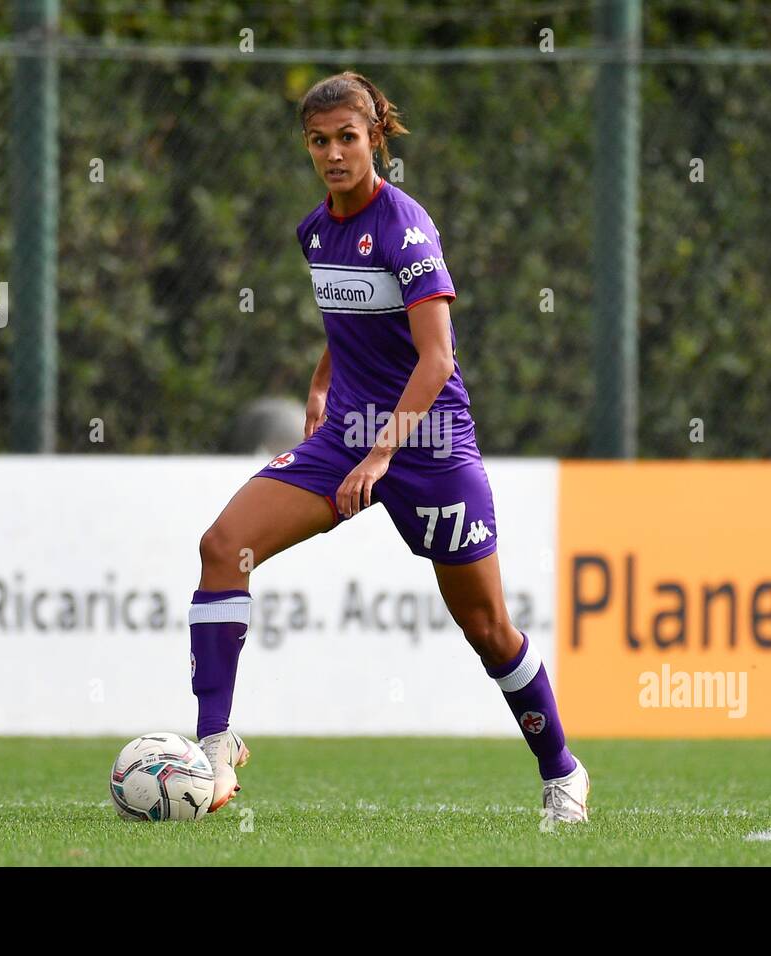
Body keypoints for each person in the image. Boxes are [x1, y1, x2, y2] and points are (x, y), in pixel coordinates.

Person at [188, 71, 589, 822]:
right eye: (319, 141)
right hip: (343, 438)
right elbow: (353, 327)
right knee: (223, 546)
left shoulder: (406, 228)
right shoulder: (316, 230)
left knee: (487, 629)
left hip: (430, 448)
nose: (334, 153)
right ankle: (215, 746)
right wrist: (319, 387)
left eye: (348, 137)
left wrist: (379, 456)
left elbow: (435, 358)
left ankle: (562, 770)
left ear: (375, 137)